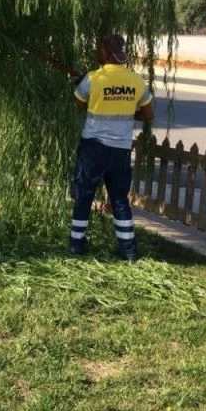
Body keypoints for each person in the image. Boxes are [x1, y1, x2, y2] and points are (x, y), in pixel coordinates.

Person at [68, 34, 154, 260]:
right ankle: (128, 250)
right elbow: (148, 114)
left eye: (99, 50)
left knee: (84, 193)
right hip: (121, 151)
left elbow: (78, 103)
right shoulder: (136, 81)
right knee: (119, 199)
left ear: (105, 53)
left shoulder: (94, 78)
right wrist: (127, 112)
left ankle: (77, 244)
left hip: (94, 148)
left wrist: (80, 84)